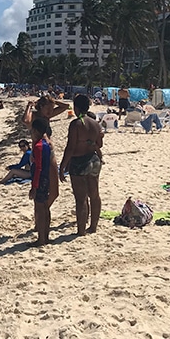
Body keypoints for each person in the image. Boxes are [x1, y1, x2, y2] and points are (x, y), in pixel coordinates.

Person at [59, 94, 104, 236]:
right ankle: (93, 227)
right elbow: (99, 144)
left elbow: (70, 147)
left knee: (81, 198)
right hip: (94, 159)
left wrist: (63, 166)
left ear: (76, 107)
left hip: (79, 162)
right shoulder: (95, 123)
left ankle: (81, 231)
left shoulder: (76, 124)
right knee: (94, 195)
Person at [29, 118, 59, 246]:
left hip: (41, 179)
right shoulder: (47, 144)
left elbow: (38, 168)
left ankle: (41, 239)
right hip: (46, 178)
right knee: (45, 209)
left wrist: (34, 187)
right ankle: (45, 236)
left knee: (41, 210)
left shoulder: (38, 146)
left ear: (35, 131)